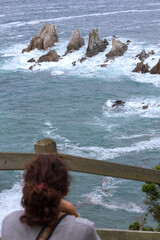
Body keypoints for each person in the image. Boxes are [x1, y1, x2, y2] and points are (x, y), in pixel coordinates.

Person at [1, 154, 101, 240]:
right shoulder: (83, 229)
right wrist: (73, 213)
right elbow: (79, 229)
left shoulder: (9, 223)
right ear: (65, 190)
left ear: (26, 187)